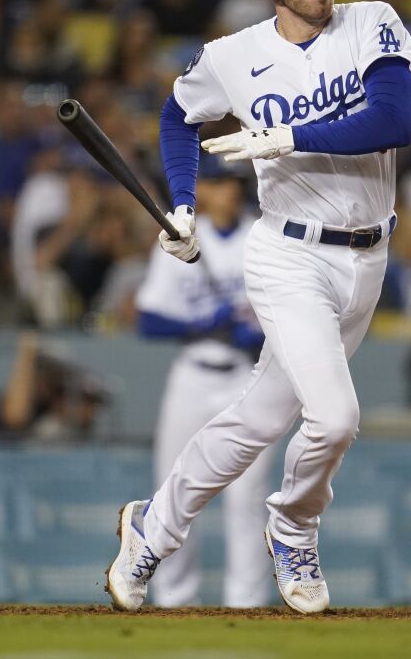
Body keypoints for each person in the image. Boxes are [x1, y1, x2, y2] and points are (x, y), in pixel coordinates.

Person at [105, 0, 411, 614]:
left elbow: (395, 120)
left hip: (367, 258)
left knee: (256, 420)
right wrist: (182, 203)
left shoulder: (372, 23)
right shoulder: (232, 56)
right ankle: (295, 527)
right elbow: (177, 115)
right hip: (288, 255)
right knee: (334, 418)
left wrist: (288, 137)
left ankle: (152, 526)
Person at [135, 155, 271, 608]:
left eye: (233, 182)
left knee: (247, 497)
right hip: (193, 374)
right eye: (218, 182)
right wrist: (203, 325)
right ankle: (174, 598)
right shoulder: (180, 241)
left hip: (246, 377)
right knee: (173, 489)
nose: (228, 190)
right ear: (203, 191)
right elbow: (148, 320)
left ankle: (246, 603)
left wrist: (260, 336)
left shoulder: (262, 236)